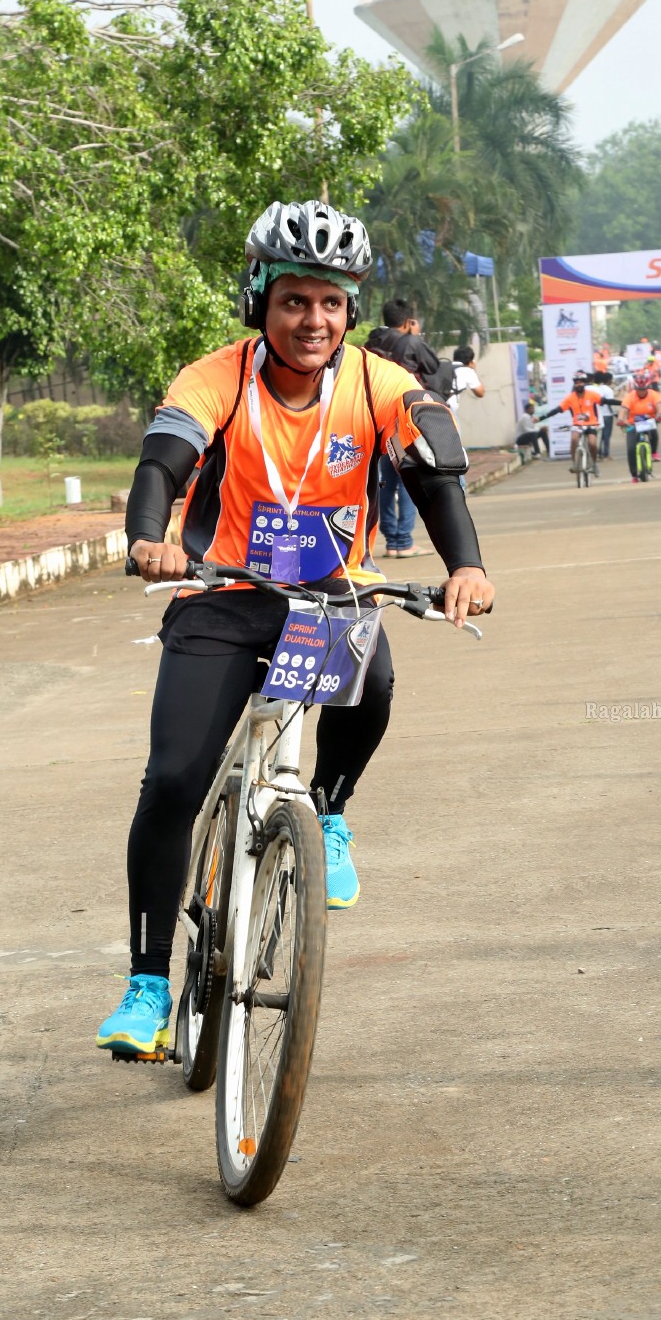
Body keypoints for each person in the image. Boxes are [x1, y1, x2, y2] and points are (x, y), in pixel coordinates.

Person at [95, 199, 495, 1057]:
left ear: (351, 311)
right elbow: (162, 463)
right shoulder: (214, 379)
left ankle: (331, 809)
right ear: (260, 299)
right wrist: (148, 538)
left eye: (332, 302)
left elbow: (435, 476)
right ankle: (147, 984)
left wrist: (466, 564)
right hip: (221, 595)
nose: (314, 320)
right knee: (172, 778)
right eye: (294, 300)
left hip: (328, 597)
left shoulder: (378, 384)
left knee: (377, 681)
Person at [366, 298, 450, 558]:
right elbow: (434, 366)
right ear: (407, 321)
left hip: (375, 415)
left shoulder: (372, 342)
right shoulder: (412, 341)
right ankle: (404, 541)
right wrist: (414, 336)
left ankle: (391, 540)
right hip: (404, 414)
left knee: (386, 481)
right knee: (407, 476)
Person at [537, 370, 603, 473]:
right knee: (574, 439)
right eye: (577, 382)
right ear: (574, 384)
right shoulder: (570, 398)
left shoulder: (592, 395)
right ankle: (574, 464)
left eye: (581, 382)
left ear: (585, 382)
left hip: (591, 424)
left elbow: (604, 402)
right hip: (577, 425)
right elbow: (557, 410)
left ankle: (594, 464)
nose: (579, 384)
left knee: (592, 444)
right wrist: (541, 418)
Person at [619, 370, 661, 481]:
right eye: (639, 389)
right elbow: (624, 410)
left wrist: (660, 414)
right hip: (633, 424)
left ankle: (654, 452)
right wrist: (621, 419)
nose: (642, 392)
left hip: (649, 421)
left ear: (647, 387)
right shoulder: (630, 397)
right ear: (635, 388)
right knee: (630, 449)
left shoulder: (654, 395)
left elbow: (659, 407)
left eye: (644, 389)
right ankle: (634, 475)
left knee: (653, 430)